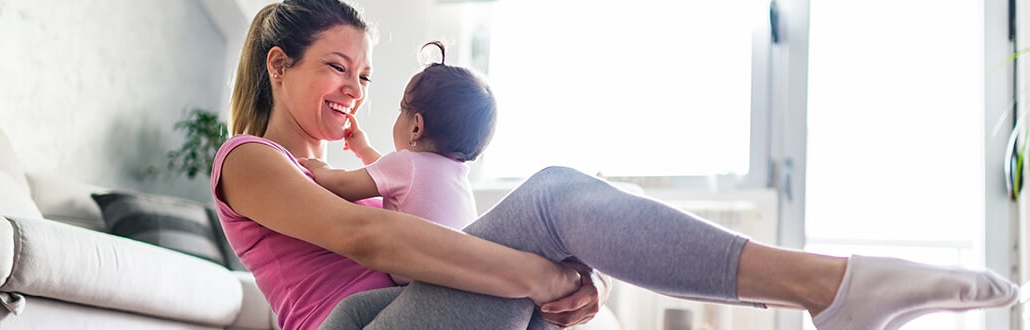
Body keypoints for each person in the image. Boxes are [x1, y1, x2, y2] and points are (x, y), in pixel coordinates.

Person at [211, 1, 1019, 329]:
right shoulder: (249, 161)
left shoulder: (347, 163)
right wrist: (527, 276)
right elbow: (374, 245)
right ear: (279, 67)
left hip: (409, 316)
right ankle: (827, 287)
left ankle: (829, 289)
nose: (353, 90)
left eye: (364, 76)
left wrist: (541, 280)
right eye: (334, 68)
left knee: (561, 215)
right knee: (555, 198)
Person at [298, 40, 495, 285]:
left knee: (351, 310)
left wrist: (318, 166)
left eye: (402, 109)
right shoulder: (454, 175)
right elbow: (393, 179)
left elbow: (342, 185)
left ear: (416, 126)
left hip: (423, 291)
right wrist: (363, 149)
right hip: (459, 283)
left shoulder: (408, 166)